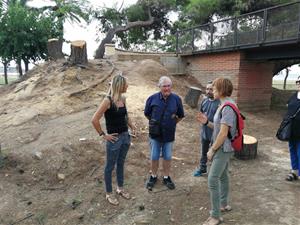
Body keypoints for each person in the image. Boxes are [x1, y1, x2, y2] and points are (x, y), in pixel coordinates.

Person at [197, 77, 237, 225]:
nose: (211, 91)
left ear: (221, 90)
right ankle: (223, 204)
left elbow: (223, 133)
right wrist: (207, 122)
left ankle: (215, 216)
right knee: (224, 175)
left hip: (223, 148)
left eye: (214, 88)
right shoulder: (225, 104)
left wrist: (211, 150)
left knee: (212, 179)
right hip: (224, 146)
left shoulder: (227, 107)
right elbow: (219, 128)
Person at [91, 73, 136, 206]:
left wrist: (131, 125)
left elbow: (125, 115)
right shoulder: (107, 101)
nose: (127, 86)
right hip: (114, 139)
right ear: (120, 85)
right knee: (109, 167)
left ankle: (120, 188)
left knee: (121, 163)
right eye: (126, 84)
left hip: (125, 137)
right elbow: (94, 120)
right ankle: (109, 193)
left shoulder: (123, 99)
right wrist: (103, 135)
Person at [144, 76, 184, 190]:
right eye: (164, 86)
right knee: (154, 156)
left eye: (169, 86)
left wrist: (172, 123)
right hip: (155, 135)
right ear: (159, 87)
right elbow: (147, 114)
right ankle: (153, 176)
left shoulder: (176, 99)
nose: (167, 88)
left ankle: (166, 177)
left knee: (167, 156)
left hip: (169, 134)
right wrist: (155, 123)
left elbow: (180, 115)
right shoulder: (152, 98)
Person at [193, 81, 220, 177]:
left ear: (215, 90)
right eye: (207, 89)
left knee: (214, 154)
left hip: (215, 134)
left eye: (211, 89)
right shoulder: (204, 101)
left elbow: (220, 124)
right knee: (204, 152)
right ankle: (202, 169)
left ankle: (214, 172)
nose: (208, 91)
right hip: (205, 132)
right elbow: (201, 114)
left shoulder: (220, 103)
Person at [284, 76, 300, 181]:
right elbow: (287, 106)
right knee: (292, 149)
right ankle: (294, 170)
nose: (298, 83)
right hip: (291, 129)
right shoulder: (294, 95)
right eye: (298, 81)